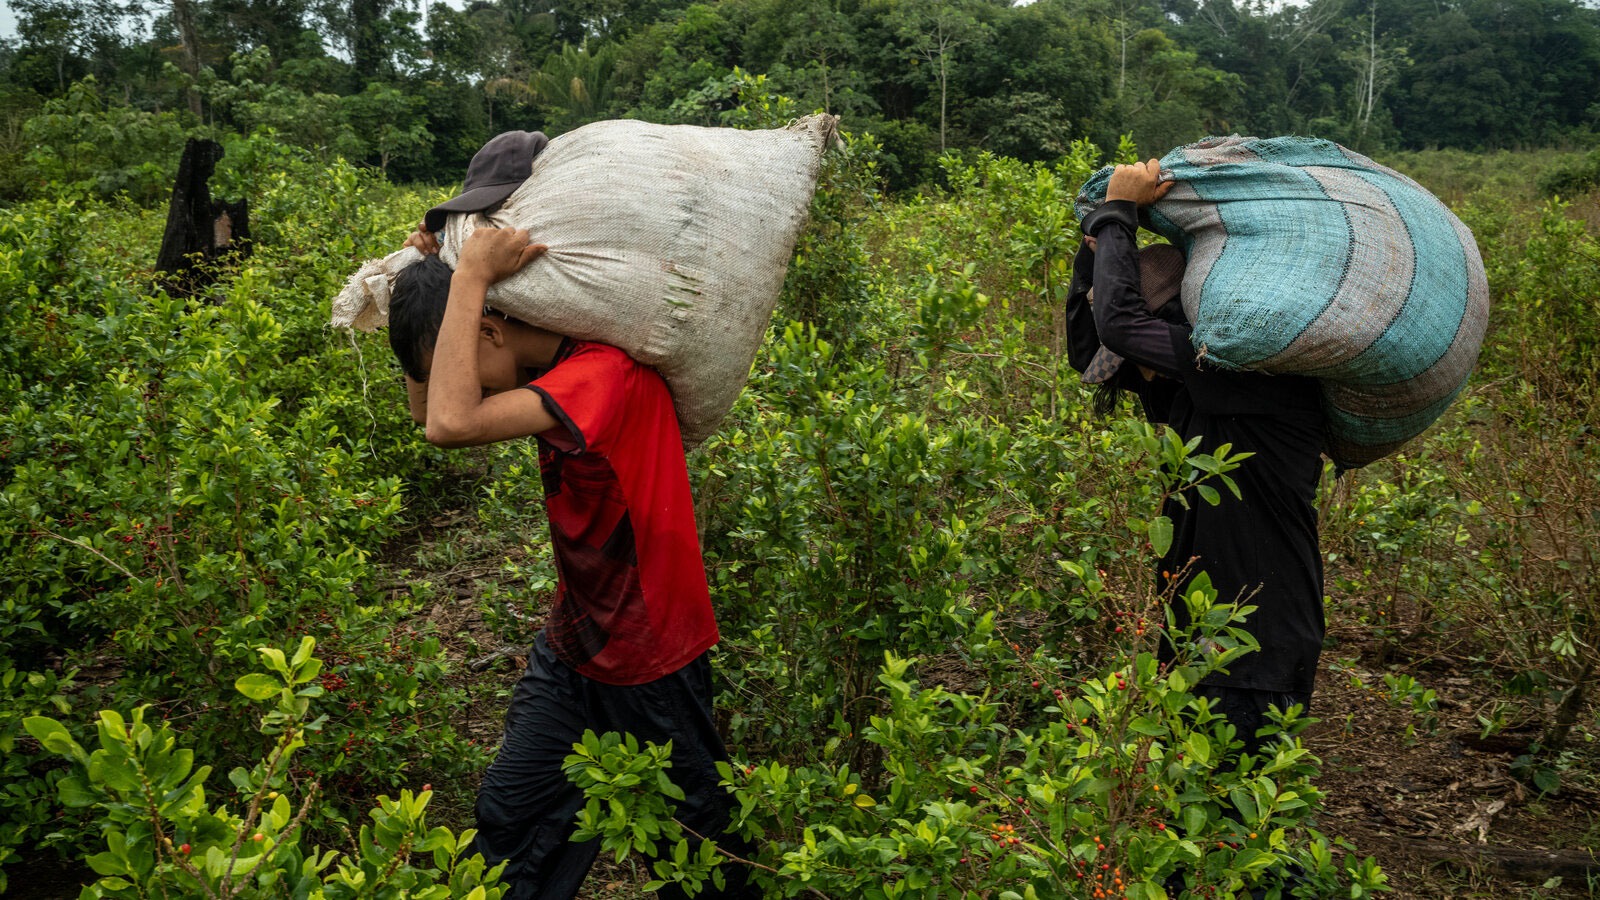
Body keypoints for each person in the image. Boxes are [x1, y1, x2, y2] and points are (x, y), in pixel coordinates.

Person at [386, 138, 755, 900]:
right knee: (510, 825)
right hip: (577, 648)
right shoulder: (548, 365)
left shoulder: (601, 375)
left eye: (464, 344)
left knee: (698, 861)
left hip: (652, 660)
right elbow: (430, 404)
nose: (459, 373)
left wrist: (471, 278)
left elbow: (449, 422)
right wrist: (424, 283)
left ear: (491, 329)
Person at [1065, 159, 1327, 759]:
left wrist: (1118, 212)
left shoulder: (1245, 371)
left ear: (1175, 327)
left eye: (1144, 352)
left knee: (1234, 799)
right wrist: (1093, 246)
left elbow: (1120, 328)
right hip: (1201, 638)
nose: (1135, 372)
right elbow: (1092, 349)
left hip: (1254, 648)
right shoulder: (1188, 391)